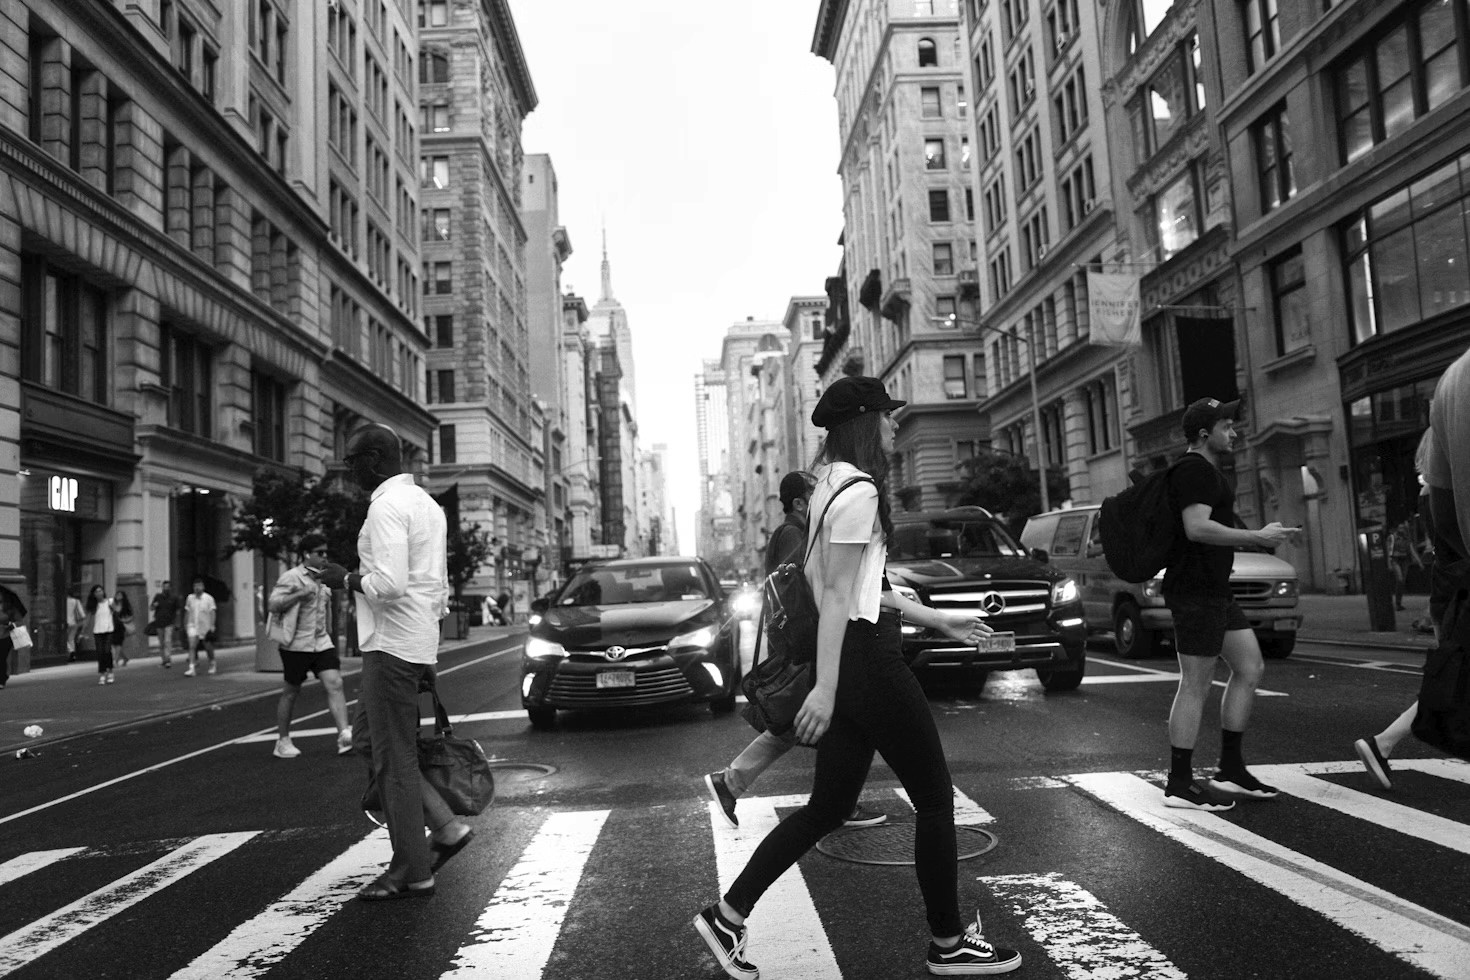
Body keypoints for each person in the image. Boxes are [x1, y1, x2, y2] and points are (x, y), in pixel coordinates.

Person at [693, 376, 1022, 979]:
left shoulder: (826, 486)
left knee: (827, 807)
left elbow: (866, 586)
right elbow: (839, 596)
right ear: (866, 422)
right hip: (867, 661)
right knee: (935, 800)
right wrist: (825, 687)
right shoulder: (860, 490)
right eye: (888, 415)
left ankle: (727, 916)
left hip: (852, 661)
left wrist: (939, 619)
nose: (896, 424)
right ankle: (948, 944)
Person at [318, 423, 472, 902]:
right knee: (368, 740)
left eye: (353, 461)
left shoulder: (386, 507)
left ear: (375, 458)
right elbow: (437, 587)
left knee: (395, 759)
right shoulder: (427, 504)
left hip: (390, 646)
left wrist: (344, 578)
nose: (349, 470)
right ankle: (445, 828)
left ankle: (412, 870)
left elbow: (390, 584)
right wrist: (426, 649)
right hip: (411, 641)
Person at [703, 470, 887, 830]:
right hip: (807, 639)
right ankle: (838, 804)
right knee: (822, 719)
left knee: (801, 722)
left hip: (805, 637)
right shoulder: (793, 533)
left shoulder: (794, 531)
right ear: (801, 503)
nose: (822, 497)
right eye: (814, 492)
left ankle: (733, 782)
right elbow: (805, 584)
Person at [1159, 398, 1300, 811]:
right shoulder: (1194, 471)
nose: (1234, 433)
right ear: (1205, 434)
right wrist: (1257, 537)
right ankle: (1179, 783)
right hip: (1195, 592)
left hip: (1215, 590)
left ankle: (1231, 769)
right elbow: (1197, 528)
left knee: (1250, 667)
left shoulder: (1207, 471)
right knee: (1195, 683)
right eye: (1226, 426)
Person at [1357, 345, 1470, 786]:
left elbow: (1444, 521)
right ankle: (1382, 743)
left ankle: (1383, 743)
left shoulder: (1453, 379)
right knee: (1455, 676)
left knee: (1457, 673)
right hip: (1454, 577)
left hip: (1455, 572)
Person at [270, 534, 353, 759]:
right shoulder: (291, 577)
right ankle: (282, 741)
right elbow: (273, 604)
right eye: (320, 552)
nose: (324, 556)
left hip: (321, 642)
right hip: (295, 645)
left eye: (326, 552)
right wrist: (299, 594)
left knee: (335, 683)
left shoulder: (325, 579)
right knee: (291, 692)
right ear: (307, 554)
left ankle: (344, 735)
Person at [183, 577, 218, 676]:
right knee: (192, 646)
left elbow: (212, 612)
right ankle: (191, 668)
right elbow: (187, 611)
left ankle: (212, 662)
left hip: (205, 626)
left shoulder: (209, 598)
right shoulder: (190, 598)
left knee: (208, 647)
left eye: (199, 586)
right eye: (195, 586)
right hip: (192, 625)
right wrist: (185, 624)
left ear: (203, 587)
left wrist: (212, 625)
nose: (197, 588)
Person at [1387, 519, 1422, 612]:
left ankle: (1398, 603)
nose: (1401, 529)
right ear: (1397, 528)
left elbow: (1412, 550)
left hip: (1405, 560)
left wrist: (1419, 562)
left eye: (1403, 528)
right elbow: (1389, 550)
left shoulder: (1407, 538)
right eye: (1400, 528)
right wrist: (1389, 563)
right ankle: (1397, 603)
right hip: (1395, 560)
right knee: (1400, 579)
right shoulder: (1392, 537)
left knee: (1402, 582)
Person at [86, 584, 117, 686]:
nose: (99, 593)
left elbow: (117, 611)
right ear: (94, 594)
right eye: (97, 592)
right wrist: (83, 631)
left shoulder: (110, 601)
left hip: (109, 629)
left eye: (100, 591)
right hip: (98, 630)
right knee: (100, 652)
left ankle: (110, 671)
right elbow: (88, 618)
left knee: (107, 650)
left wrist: (113, 608)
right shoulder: (94, 605)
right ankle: (102, 673)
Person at [151, 580, 181, 668]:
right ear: (162, 588)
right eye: (164, 587)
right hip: (159, 622)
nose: (166, 589)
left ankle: (168, 659)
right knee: (161, 643)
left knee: (167, 641)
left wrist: (177, 622)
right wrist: (154, 605)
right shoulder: (158, 597)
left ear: (170, 588)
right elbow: (151, 608)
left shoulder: (174, 598)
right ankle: (164, 660)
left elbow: (178, 610)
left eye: (167, 587)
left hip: (169, 623)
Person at [111, 589, 135, 667]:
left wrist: (124, 620)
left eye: (120, 595)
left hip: (122, 627)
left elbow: (131, 616)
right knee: (113, 644)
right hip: (113, 626)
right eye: (117, 595)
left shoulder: (126, 606)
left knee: (118, 643)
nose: (118, 596)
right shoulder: (113, 605)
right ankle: (125, 658)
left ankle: (115, 661)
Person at [66, 585, 85, 662]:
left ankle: (71, 651)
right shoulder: (76, 601)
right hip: (74, 622)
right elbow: (82, 614)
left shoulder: (63, 601)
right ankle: (73, 655)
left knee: (64, 639)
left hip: (65, 622)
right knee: (71, 639)